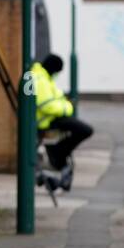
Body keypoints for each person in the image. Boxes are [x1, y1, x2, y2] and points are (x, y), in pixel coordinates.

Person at [30, 53, 93, 187]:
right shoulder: (40, 80)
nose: (57, 75)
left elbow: (56, 99)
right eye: (57, 72)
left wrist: (65, 104)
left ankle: (59, 155)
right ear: (53, 69)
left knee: (81, 130)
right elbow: (47, 105)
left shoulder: (45, 78)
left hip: (53, 118)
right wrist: (67, 108)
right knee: (85, 130)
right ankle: (58, 153)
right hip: (47, 121)